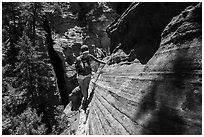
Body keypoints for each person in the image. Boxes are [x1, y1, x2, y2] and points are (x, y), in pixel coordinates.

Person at [75, 45, 106, 111]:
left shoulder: (89, 56)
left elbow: (96, 60)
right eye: (84, 53)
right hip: (80, 76)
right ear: (82, 53)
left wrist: (105, 63)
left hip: (87, 75)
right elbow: (81, 66)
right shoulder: (78, 59)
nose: (86, 54)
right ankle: (84, 99)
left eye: (87, 53)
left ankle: (85, 100)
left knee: (85, 88)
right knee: (82, 88)